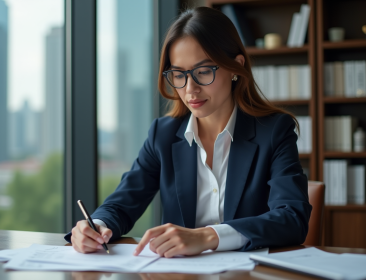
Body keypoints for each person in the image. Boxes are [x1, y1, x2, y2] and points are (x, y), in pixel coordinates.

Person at [66, 6, 312, 258]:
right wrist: (96, 226)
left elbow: (292, 217)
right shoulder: (162, 134)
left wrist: (208, 236)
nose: (190, 89)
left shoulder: (274, 131)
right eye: (179, 74)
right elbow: (122, 203)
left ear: (236, 68)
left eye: (204, 71)